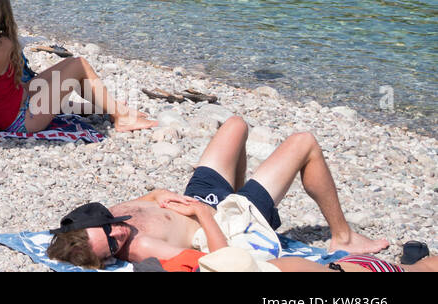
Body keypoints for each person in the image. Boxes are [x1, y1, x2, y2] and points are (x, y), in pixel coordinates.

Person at [46, 115, 387, 269]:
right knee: (304, 143)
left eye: (109, 228)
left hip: (200, 198)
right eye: (114, 244)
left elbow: (150, 199)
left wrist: (160, 195)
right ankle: (343, 236)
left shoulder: (112, 216)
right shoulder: (142, 247)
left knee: (236, 125)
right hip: (225, 222)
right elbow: (218, 260)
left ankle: (247, 191)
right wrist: (204, 215)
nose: (118, 232)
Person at [0, 0, 155, 136]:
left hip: (9, 104)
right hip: (20, 120)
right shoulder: (2, 45)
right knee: (78, 64)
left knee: (71, 63)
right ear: (5, 16)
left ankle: (116, 110)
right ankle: (121, 117)